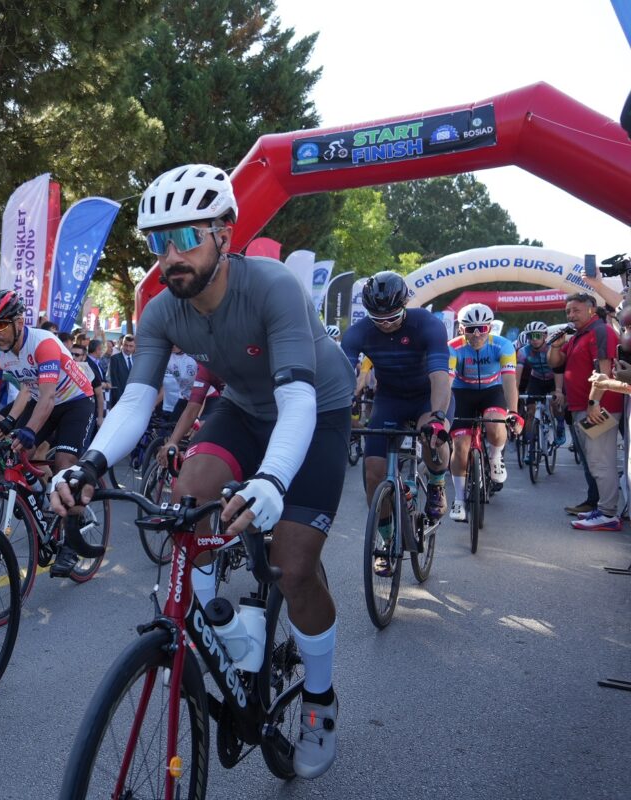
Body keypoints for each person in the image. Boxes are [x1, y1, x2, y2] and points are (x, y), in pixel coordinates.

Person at [50, 163, 355, 779]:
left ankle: (319, 700)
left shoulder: (271, 287)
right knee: (186, 496)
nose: (170, 256)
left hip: (314, 409)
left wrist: (270, 481)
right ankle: (212, 632)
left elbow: (296, 400)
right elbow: (136, 401)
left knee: (293, 566)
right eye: (158, 242)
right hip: (243, 408)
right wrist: (90, 464)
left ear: (224, 232)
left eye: (186, 236)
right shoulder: (164, 310)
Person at [0, 289, 97, 575]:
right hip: (43, 402)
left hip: (75, 403)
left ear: (18, 322)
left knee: (65, 468)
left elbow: (49, 397)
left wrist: (27, 429)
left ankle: (71, 544)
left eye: (0, 324)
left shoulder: (44, 345)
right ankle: (38, 496)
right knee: (14, 452)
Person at [340, 271, 452, 573]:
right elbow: (342, 376)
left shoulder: (427, 324)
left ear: (405, 304)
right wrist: (338, 408)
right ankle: (388, 541)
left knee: (433, 436)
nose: (386, 324)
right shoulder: (358, 332)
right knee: (374, 472)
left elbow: (440, 374)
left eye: (393, 316)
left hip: (427, 395)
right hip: (390, 399)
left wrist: (439, 417)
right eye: (379, 319)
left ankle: (437, 483)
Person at [547, 293, 623, 531]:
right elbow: (555, 363)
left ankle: (608, 514)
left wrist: (594, 403)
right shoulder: (578, 336)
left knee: (601, 461)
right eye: (568, 311)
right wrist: (555, 345)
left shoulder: (601, 332)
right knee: (594, 461)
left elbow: (605, 372)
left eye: (576, 310)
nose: (570, 315)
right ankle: (602, 508)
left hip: (600, 408)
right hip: (582, 408)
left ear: (592, 310)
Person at [445, 303, 521, 521]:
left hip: (491, 390)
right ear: (461, 329)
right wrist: (441, 413)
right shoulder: (453, 347)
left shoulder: (502, 345)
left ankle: (496, 457)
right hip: (462, 393)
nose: (476, 334)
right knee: (460, 446)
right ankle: (459, 499)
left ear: (489, 327)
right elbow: (447, 384)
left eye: (482, 328)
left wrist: (513, 411)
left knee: (496, 424)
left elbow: (509, 380)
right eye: (470, 329)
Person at [515, 320, 566, 460]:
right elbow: (517, 375)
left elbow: (557, 369)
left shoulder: (552, 347)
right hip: (536, 379)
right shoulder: (523, 351)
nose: (534, 339)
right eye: (531, 336)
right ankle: (531, 448)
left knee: (556, 403)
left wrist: (559, 390)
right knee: (530, 411)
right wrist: (515, 392)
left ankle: (560, 425)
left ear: (545, 336)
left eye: (538, 335)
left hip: (553, 378)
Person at [107, 333, 136, 407]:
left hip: (134, 398)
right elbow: (114, 380)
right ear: (122, 345)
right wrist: (120, 400)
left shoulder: (137, 359)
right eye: (126, 345)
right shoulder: (115, 359)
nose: (128, 348)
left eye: (131, 346)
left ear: (134, 346)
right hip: (120, 399)